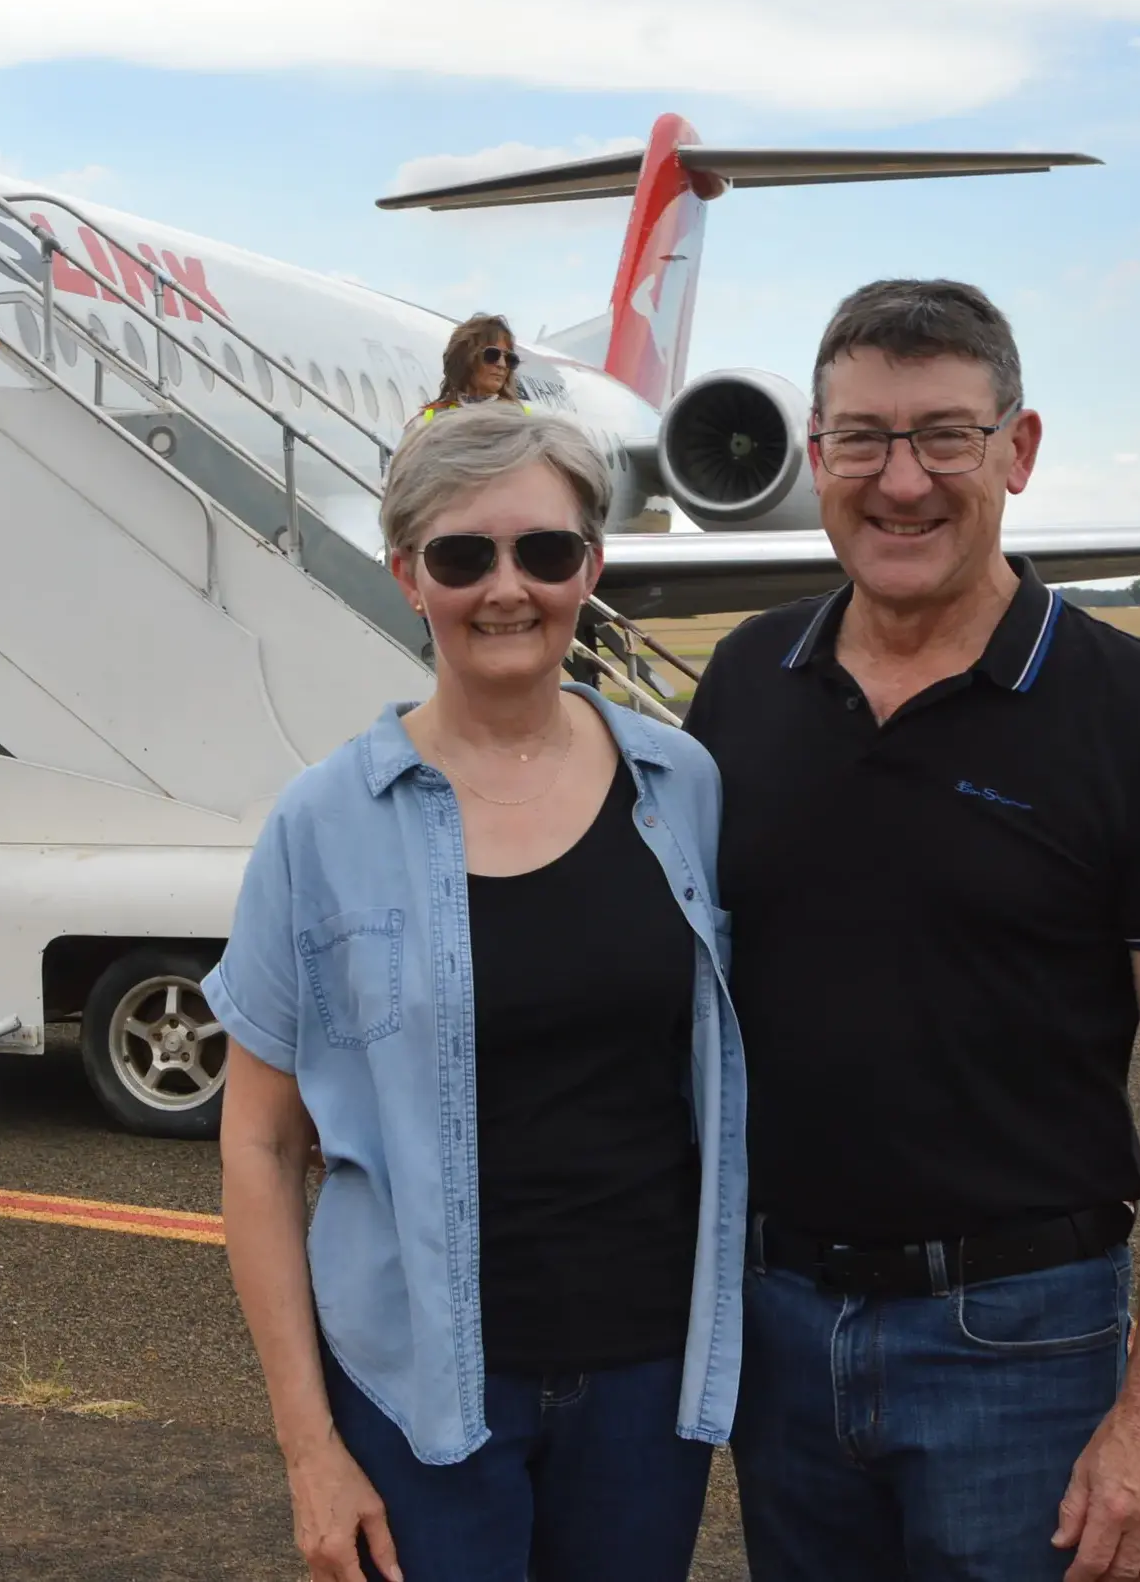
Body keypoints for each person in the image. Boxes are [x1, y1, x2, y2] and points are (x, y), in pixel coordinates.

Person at [682, 280, 1140, 1582]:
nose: (902, 482)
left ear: (1019, 449)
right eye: (865, 438)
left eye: (945, 435)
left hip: (1021, 1340)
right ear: (814, 456)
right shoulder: (745, 684)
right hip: (777, 1326)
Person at [209, 405, 747, 1582]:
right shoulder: (323, 820)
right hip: (414, 1390)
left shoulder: (683, 788)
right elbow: (256, 1144)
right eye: (463, 556)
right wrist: (310, 1450)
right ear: (409, 575)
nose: (508, 588)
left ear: (590, 569)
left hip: (646, 1379)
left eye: (546, 552)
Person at [407, 314, 524, 437]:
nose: (502, 365)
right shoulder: (425, 424)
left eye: (509, 358)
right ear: (465, 358)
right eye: (492, 355)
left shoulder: (522, 426)